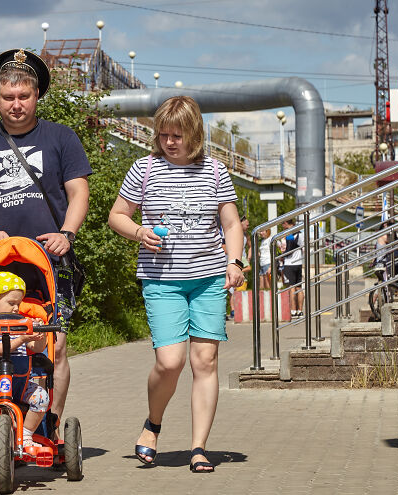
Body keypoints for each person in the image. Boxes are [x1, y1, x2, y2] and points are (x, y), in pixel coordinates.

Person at [0, 48, 92, 429]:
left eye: (24, 96)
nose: (16, 105)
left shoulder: (61, 137)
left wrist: (67, 234)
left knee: (54, 344)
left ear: (37, 94)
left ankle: (49, 425)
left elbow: (79, 192)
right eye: (7, 97)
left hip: (48, 262)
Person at [107, 96, 244, 472]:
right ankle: (153, 423)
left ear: (194, 134)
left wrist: (234, 262)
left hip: (209, 279)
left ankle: (198, 448)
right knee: (170, 362)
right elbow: (117, 215)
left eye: (177, 135)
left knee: (205, 362)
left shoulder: (215, 171)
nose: (169, 141)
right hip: (161, 280)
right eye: (164, 134)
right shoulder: (144, 169)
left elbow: (231, 224)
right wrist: (139, 232)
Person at [0, 272, 49, 447]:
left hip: (20, 383)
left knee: (42, 397)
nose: (16, 308)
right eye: (11, 303)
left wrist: (40, 334)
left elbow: (37, 348)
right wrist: (22, 339)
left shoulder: (21, 323)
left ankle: (26, 435)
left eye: (18, 304)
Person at [277, 218, 304, 318]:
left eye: (282, 224)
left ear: (285, 223)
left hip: (289, 263)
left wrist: (282, 256)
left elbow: (288, 250)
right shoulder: (300, 233)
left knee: (291, 287)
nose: (282, 226)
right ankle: (300, 310)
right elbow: (303, 247)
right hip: (298, 263)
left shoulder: (289, 234)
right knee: (299, 287)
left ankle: (293, 311)